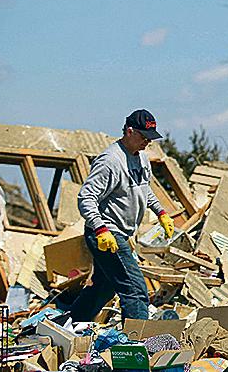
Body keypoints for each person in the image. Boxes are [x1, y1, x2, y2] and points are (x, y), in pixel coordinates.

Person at [70, 109, 175, 321]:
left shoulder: (142, 159)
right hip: (106, 233)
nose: (147, 142)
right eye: (143, 137)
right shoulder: (110, 161)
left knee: (105, 286)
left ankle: (72, 324)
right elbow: (86, 197)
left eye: (150, 139)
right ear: (129, 131)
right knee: (135, 289)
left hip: (119, 232)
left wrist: (161, 212)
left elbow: (144, 189)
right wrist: (100, 229)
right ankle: (137, 344)